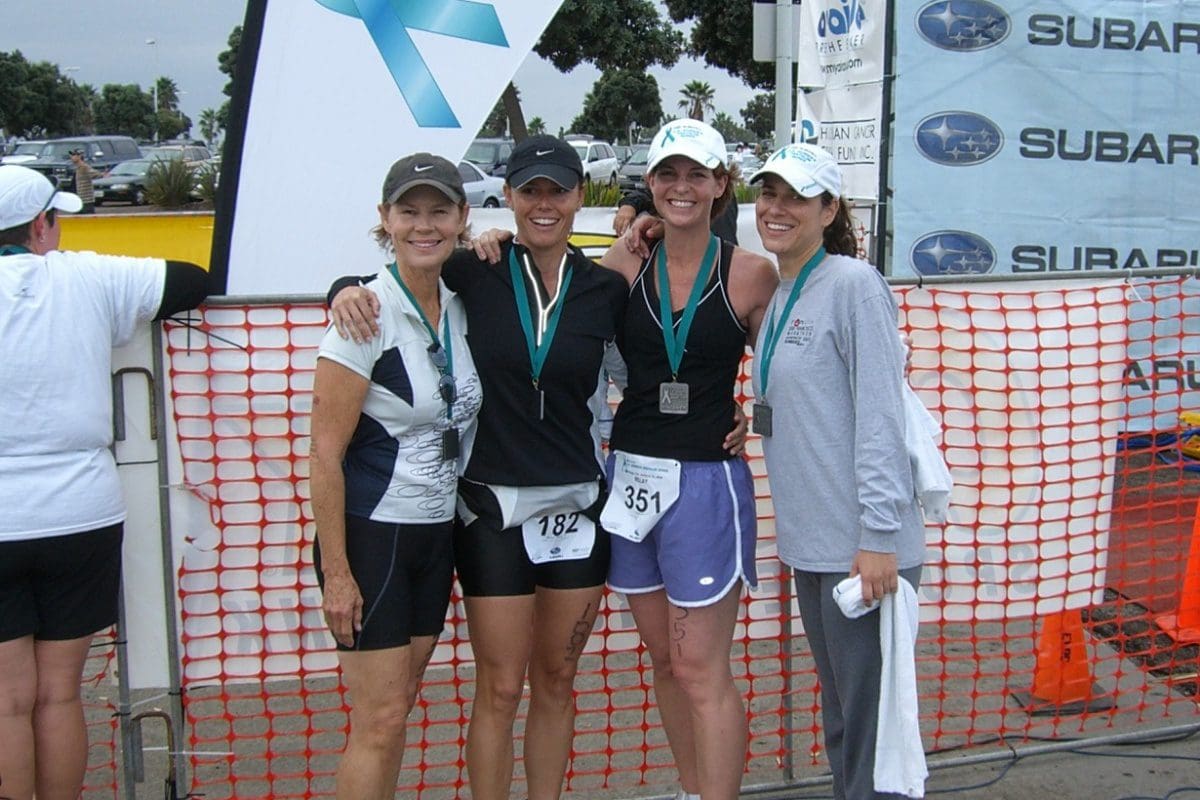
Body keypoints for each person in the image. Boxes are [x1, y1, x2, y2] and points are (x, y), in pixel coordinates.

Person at [0, 164, 208, 800]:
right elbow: (193, 282)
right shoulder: (89, 275)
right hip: (81, 511)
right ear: (42, 225)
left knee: (8, 700)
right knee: (60, 693)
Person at [596, 118, 777, 800]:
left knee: (702, 668)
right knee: (667, 664)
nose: (681, 187)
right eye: (668, 174)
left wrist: (753, 418)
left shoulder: (750, 273)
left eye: (696, 174)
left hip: (705, 485)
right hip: (632, 477)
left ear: (720, 186)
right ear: (649, 184)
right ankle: (695, 789)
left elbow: (791, 374)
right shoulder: (621, 267)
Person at [749, 144, 925, 799]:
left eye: (796, 196)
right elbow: (806, 398)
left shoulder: (852, 284)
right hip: (815, 546)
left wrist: (879, 537)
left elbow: (882, 414)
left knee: (875, 729)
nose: (776, 208)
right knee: (846, 716)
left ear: (829, 210)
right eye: (769, 193)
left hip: (863, 549)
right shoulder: (787, 287)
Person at [311, 153, 482, 800]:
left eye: (439, 210)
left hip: (434, 535)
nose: (424, 225)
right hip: (372, 537)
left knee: (398, 706)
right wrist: (336, 572)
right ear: (385, 220)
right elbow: (324, 453)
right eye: (408, 211)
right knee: (378, 720)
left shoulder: (464, 301)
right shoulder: (362, 314)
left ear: (463, 218)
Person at [69, 149, 105, 214]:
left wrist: (103, 174)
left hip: (86, 201)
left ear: (79, 156)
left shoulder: (84, 167)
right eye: (71, 155)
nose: (71, 157)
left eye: (74, 155)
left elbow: (95, 173)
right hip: (78, 200)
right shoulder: (77, 168)